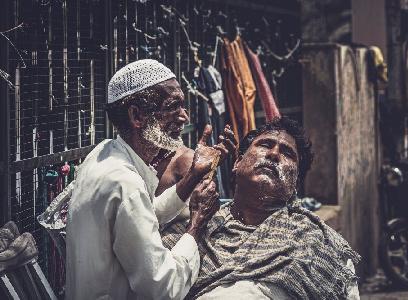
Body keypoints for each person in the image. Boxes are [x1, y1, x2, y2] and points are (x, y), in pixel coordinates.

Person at [65, 59, 230, 300]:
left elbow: (144, 213)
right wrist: (196, 225)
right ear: (137, 116)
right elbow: (164, 288)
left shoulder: (105, 153)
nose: (184, 116)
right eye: (173, 106)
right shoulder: (124, 182)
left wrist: (193, 175)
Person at [162, 116, 361, 299]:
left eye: (287, 154)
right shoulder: (190, 230)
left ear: (295, 183)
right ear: (237, 163)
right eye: (265, 145)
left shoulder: (317, 245)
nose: (274, 154)